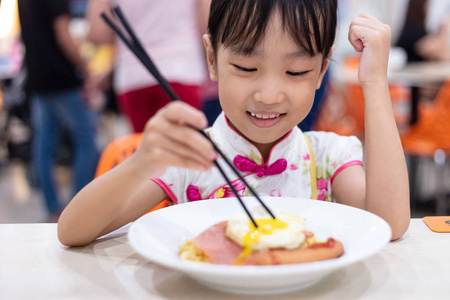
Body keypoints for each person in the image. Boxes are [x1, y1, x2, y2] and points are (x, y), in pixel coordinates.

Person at [58, 0, 410, 246]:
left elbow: (389, 224)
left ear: (321, 69)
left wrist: (375, 84)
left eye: (296, 71)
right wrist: (144, 161)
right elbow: (72, 231)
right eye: (245, 68)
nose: (269, 94)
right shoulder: (189, 157)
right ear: (212, 59)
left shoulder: (327, 156)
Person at [18, 0, 99, 222]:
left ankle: (53, 208)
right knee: (86, 140)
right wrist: (84, 65)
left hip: (37, 80)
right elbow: (63, 34)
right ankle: (78, 208)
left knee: (44, 144)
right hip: (61, 80)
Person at [86, 0, 208, 133]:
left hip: (134, 73)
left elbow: (97, 32)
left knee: (144, 146)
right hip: (182, 67)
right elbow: (208, 25)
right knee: (184, 146)